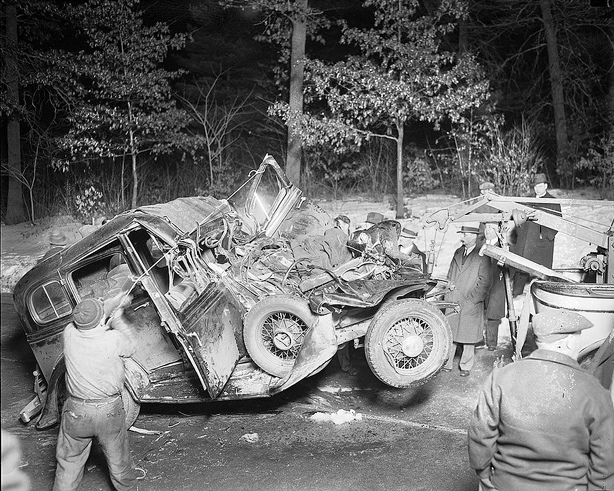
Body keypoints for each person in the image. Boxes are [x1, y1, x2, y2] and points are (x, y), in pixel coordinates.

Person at [468, 310, 614, 491]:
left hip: (505, 484)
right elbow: (606, 458)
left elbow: (480, 433)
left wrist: (482, 473)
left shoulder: (501, 377)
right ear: (569, 342)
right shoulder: (595, 392)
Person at [53, 295, 138, 491]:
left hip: (77, 412)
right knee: (120, 465)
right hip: (109, 412)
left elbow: (89, 319)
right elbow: (132, 345)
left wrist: (110, 308)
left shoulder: (69, 334)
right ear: (101, 320)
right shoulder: (114, 339)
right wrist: (118, 318)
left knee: (68, 464)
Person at [443, 224, 492, 376]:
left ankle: (465, 366)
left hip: (470, 301)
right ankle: (446, 363)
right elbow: (450, 273)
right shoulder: (458, 252)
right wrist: (448, 285)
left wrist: (473, 300)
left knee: (468, 337)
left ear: (473, 236)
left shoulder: (483, 255)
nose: (461, 238)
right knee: (450, 334)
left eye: (464, 235)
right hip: (453, 299)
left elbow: (485, 282)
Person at [511, 172, 561, 295]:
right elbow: (518, 220)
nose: (536, 189)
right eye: (534, 186)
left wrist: (545, 236)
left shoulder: (553, 202)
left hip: (543, 243)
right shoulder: (527, 200)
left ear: (545, 186)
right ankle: (516, 294)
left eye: (539, 186)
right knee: (521, 267)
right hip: (526, 241)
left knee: (542, 271)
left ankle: (543, 295)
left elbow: (558, 223)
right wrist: (521, 234)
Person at [477, 181, 506, 351]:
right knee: (480, 311)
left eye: (491, 228)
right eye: (486, 227)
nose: (488, 230)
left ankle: (492, 343)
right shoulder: (481, 244)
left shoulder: (502, 247)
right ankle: (479, 339)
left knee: (493, 315)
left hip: (495, 285)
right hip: (483, 283)